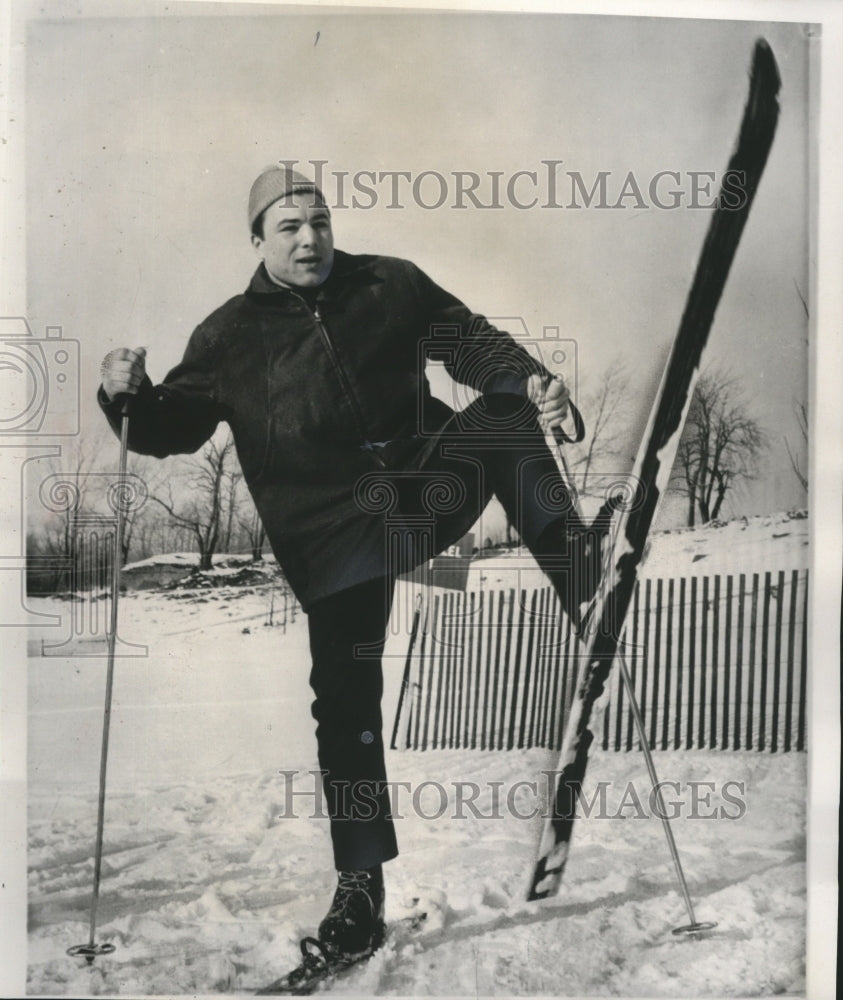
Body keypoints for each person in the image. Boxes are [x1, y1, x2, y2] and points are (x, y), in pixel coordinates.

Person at [98, 164, 612, 967]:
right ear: (259, 240)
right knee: (345, 702)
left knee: (506, 415)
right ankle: (360, 892)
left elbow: (472, 345)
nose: (310, 239)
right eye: (290, 227)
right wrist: (124, 397)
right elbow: (170, 428)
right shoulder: (227, 335)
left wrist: (534, 382)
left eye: (321, 221)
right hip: (331, 531)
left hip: (420, 484)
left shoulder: (389, 286)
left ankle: (589, 589)